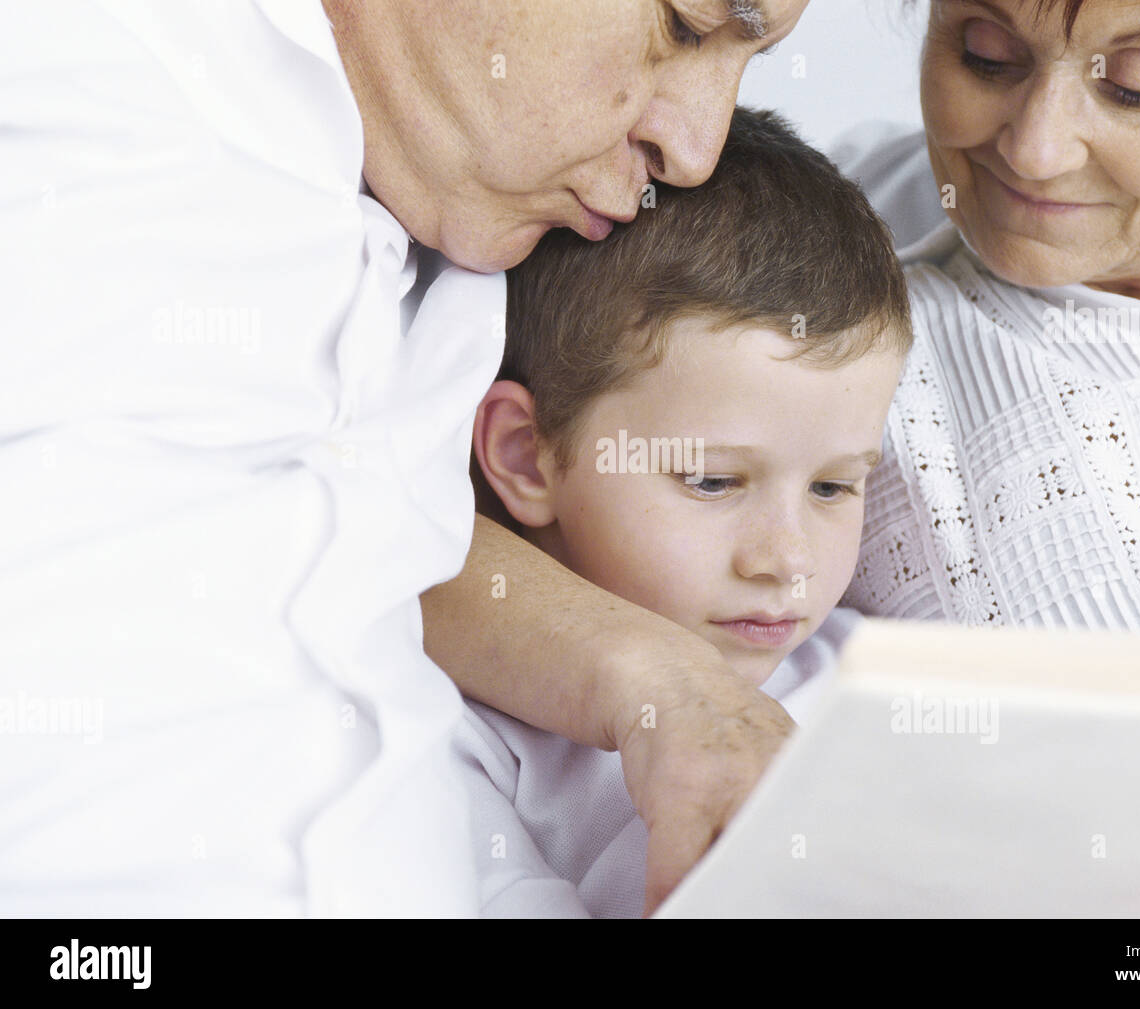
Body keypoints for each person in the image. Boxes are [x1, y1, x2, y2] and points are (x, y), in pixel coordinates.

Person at [426, 0, 1140, 918]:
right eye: (987, 56)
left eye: (1138, 90)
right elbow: (388, 525)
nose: (1037, 151)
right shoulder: (839, 331)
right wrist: (646, 679)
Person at [0, 0, 810, 915]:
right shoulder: (64, 80)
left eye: (756, 58)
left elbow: (401, 537)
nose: (696, 150)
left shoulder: (491, 244)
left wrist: (652, 672)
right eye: (687, 25)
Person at [453, 107, 912, 916]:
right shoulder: (474, 743)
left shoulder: (878, 684)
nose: (786, 559)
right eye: (711, 482)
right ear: (528, 455)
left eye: (833, 487)